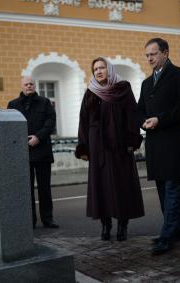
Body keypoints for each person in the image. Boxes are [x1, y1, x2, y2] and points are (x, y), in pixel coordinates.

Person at [75, 57, 144, 241]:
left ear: (109, 69)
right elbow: (83, 121)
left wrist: (131, 141)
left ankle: (123, 224)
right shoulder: (90, 92)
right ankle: (106, 225)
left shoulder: (122, 88)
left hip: (119, 145)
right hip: (97, 147)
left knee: (121, 185)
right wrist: (84, 147)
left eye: (102, 68)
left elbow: (132, 115)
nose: (98, 71)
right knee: (101, 187)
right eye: (95, 69)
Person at [137, 38, 180, 255]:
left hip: (173, 143)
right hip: (154, 144)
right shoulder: (146, 83)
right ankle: (175, 230)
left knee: (171, 188)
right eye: (147, 55)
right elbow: (138, 110)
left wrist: (159, 119)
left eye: (153, 54)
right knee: (162, 189)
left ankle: (167, 235)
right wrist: (142, 121)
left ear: (165, 53)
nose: (150, 58)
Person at [7, 76, 59, 229]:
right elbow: (9, 126)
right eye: (26, 84)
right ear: (21, 86)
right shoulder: (13, 104)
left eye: (31, 84)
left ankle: (48, 219)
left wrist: (38, 137)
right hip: (23, 153)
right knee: (26, 189)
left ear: (34, 86)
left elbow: (50, 122)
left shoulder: (45, 102)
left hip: (42, 151)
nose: (29, 86)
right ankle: (30, 220)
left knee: (45, 188)